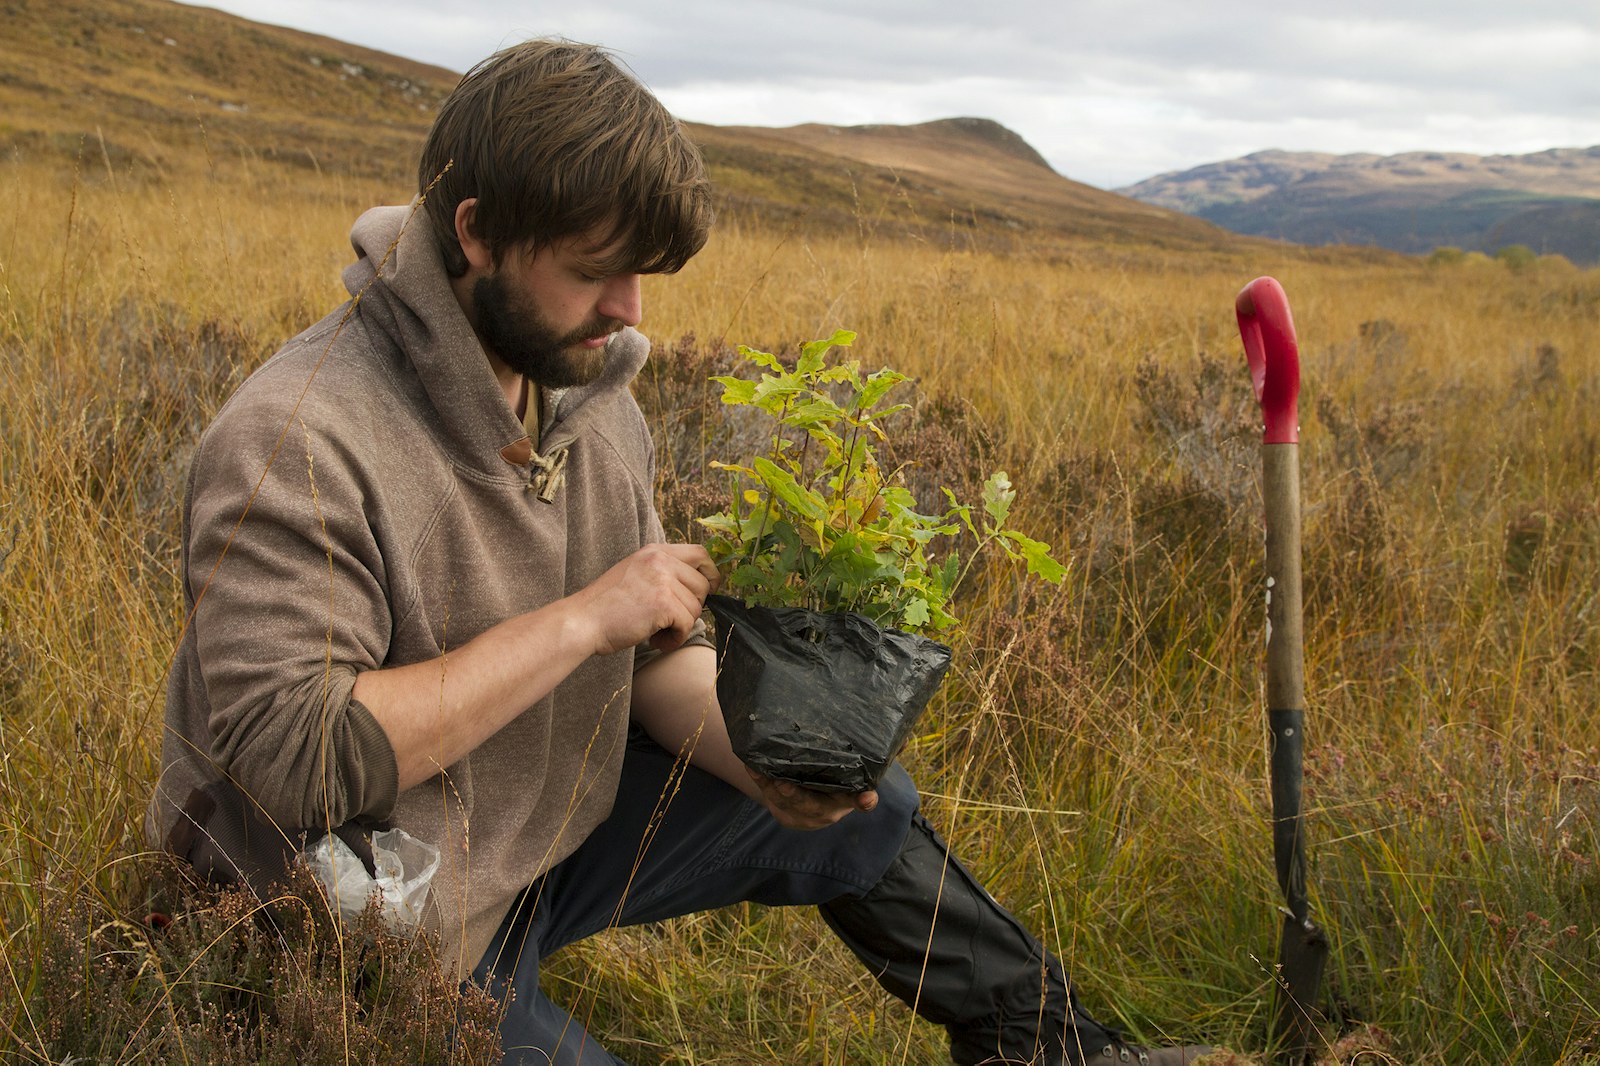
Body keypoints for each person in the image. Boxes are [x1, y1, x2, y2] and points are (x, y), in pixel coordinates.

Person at [147, 37, 1213, 1066]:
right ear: (475, 233)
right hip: (354, 932)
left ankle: (1049, 1048)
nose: (630, 313)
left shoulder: (586, 391)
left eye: (645, 274)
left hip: (536, 838)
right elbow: (298, 761)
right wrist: (580, 619)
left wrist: (764, 765)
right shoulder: (299, 439)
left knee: (865, 806)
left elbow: (652, 654)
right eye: (595, 271)